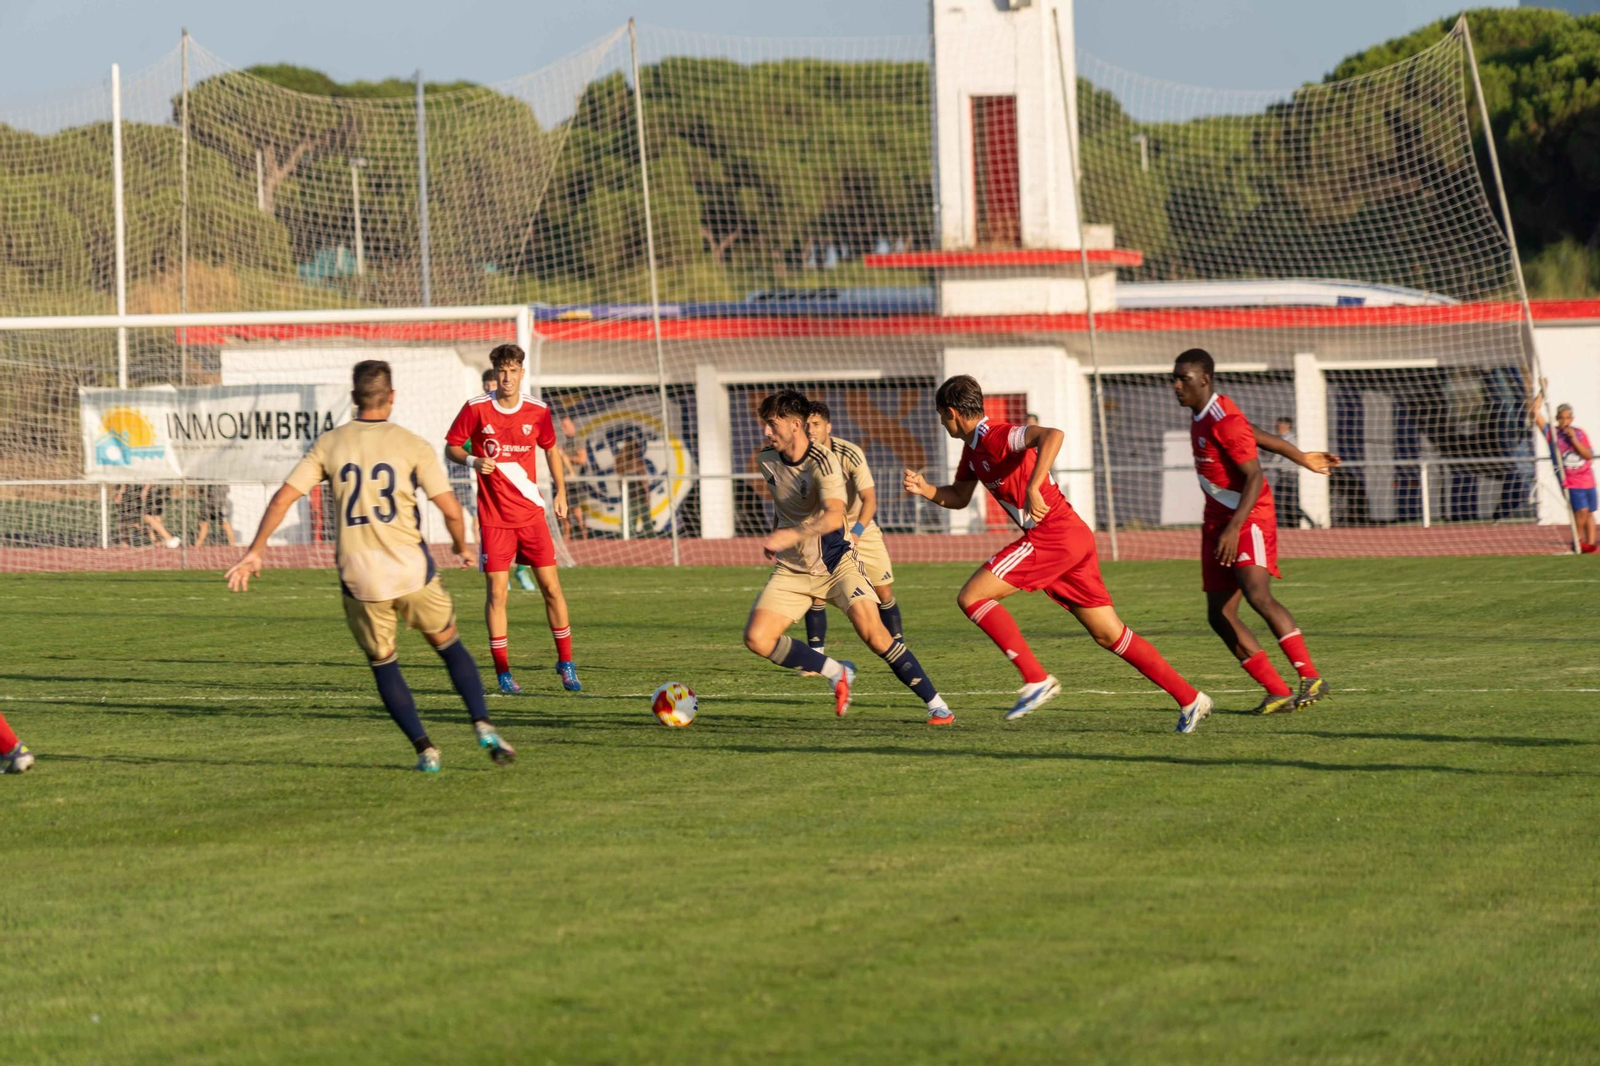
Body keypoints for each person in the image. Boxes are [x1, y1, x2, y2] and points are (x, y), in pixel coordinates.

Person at [224, 360, 516, 773]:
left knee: (385, 662)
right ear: (392, 397)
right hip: (411, 569)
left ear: (352, 399)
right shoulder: (412, 444)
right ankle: (482, 723)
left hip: (360, 577)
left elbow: (281, 500)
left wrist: (255, 551)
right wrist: (461, 546)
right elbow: (451, 509)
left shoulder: (330, 444)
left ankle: (425, 751)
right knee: (449, 646)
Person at [904, 374, 1214, 732]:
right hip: (1070, 540)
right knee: (1109, 634)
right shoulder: (973, 451)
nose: (942, 423)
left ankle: (1036, 679)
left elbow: (1052, 435)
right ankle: (1191, 698)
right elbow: (959, 497)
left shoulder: (997, 435)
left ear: (953, 413)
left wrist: (1034, 485)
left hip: (1055, 535)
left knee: (972, 597)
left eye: (942, 416)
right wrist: (926, 489)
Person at [745, 390, 953, 724]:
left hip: (836, 563)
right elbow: (785, 506)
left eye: (772, 424)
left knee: (874, 635)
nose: (766, 432)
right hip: (793, 568)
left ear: (795, 425)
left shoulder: (825, 462)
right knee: (757, 638)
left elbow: (832, 516)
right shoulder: (766, 459)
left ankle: (937, 704)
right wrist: (777, 536)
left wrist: (792, 533)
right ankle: (837, 672)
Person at [1172, 349, 1336, 713]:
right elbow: (1254, 433)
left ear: (1205, 379)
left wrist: (1233, 529)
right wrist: (1302, 456)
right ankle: (1276, 691)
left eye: (1183, 378)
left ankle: (1311, 676)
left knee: (1257, 595)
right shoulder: (1205, 414)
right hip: (1218, 520)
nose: (1176, 385)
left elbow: (1255, 475)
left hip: (1247, 519)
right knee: (1219, 614)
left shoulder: (1221, 419)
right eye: (1175, 377)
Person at [445, 343, 581, 694]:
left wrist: (561, 493)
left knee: (552, 588)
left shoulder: (537, 411)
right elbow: (452, 447)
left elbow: (551, 448)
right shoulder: (476, 409)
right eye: (501, 371)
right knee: (497, 593)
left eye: (513, 371)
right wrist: (473, 462)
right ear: (496, 374)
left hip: (531, 515)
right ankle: (503, 672)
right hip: (494, 520)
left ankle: (566, 663)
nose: (507, 377)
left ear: (522, 373)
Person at [798, 402, 903, 665]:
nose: (811, 430)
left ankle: (899, 649)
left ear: (828, 427)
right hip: (823, 530)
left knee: (883, 591)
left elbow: (870, 499)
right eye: (807, 424)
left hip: (860, 527)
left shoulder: (850, 453)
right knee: (816, 591)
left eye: (816, 424)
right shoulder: (799, 456)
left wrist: (855, 532)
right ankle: (815, 660)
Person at [474, 367, 538, 591]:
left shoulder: (523, 412)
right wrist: (475, 456)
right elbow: (458, 444)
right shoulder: (478, 411)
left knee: (525, 534)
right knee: (483, 524)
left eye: (492, 384)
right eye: (487, 385)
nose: (490, 388)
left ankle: (521, 572)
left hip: (518, 487)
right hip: (490, 489)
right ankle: (502, 575)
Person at [1534, 399, 1597, 553]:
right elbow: (1534, 413)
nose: (1564, 421)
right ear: (1557, 418)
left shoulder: (1580, 434)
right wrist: (1542, 393)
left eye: (1567, 418)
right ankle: (1577, 541)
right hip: (1571, 481)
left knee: (1589, 512)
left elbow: (1588, 455)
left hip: (1587, 479)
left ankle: (1590, 545)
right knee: (1581, 510)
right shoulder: (1552, 434)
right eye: (1561, 418)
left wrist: (1574, 439)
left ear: (1572, 419)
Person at [1266, 416, 1302, 528]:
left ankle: (1286, 526)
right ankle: (1292, 525)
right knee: (1288, 501)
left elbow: (1276, 458)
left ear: (1286, 426)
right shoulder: (1289, 439)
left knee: (1283, 501)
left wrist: (1265, 467)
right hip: (1287, 475)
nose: (1277, 428)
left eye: (1278, 425)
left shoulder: (1286, 440)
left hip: (1288, 475)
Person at [193, 483, 236, 548]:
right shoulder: (224, 483)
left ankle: (197, 545)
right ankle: (232, 545)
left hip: (210, 505)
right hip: (220, 505)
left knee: (204, 526)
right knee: (226, 525)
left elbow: (201, 491)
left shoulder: (209, 481)